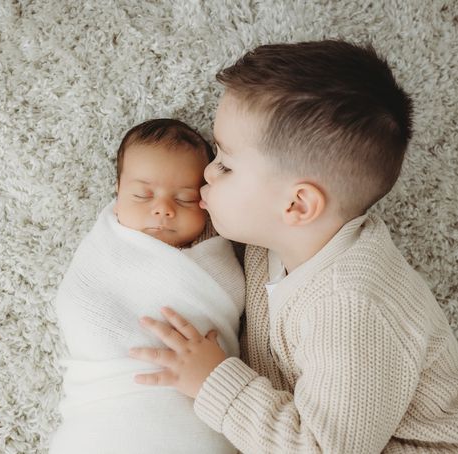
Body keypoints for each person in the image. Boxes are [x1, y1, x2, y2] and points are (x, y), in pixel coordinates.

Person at [128, 41, 458, 453]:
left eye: (226, 165)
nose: (206, 174)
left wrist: (215, 380)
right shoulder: (275, 239)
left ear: (297, 204)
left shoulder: (352, 307)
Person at [49, 119, 244, 454]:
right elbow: (79, 303)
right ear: (118, 189)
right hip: (99, 415)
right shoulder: (104, 250)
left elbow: (226, 305)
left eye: (184, 199)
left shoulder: (217, 257)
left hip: (189, 422)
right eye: (142, 195)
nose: (163, 209)